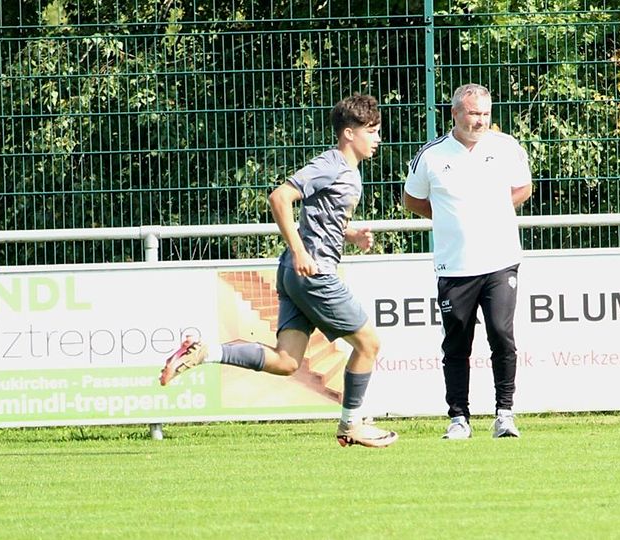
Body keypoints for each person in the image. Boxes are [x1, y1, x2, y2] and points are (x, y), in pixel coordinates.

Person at [160, 94, 397, 449]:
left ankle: (205, 352)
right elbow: (279, 197)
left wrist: (350, 234)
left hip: (295, 272)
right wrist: (301, 251)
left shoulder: (347, 171)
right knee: (369, 344)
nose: (378, 138)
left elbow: (322, 217)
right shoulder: (331, 163)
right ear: (349, 133)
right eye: (372, 131)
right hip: (313, 273)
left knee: (286, 361)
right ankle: (352, 424)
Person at [402, 83, 533, 439]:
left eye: (486, 114)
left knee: (502, 335)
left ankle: (505, 414)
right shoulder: (431, 155)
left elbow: (524, 187)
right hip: (454, 266)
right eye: (474, 113)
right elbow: (412, 200)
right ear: (455, 113)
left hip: (500, 261)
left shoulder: (506, 147)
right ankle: (459, 418)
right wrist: (449, 218)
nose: (480, 121)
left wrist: (494, 211)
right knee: (457, 343)